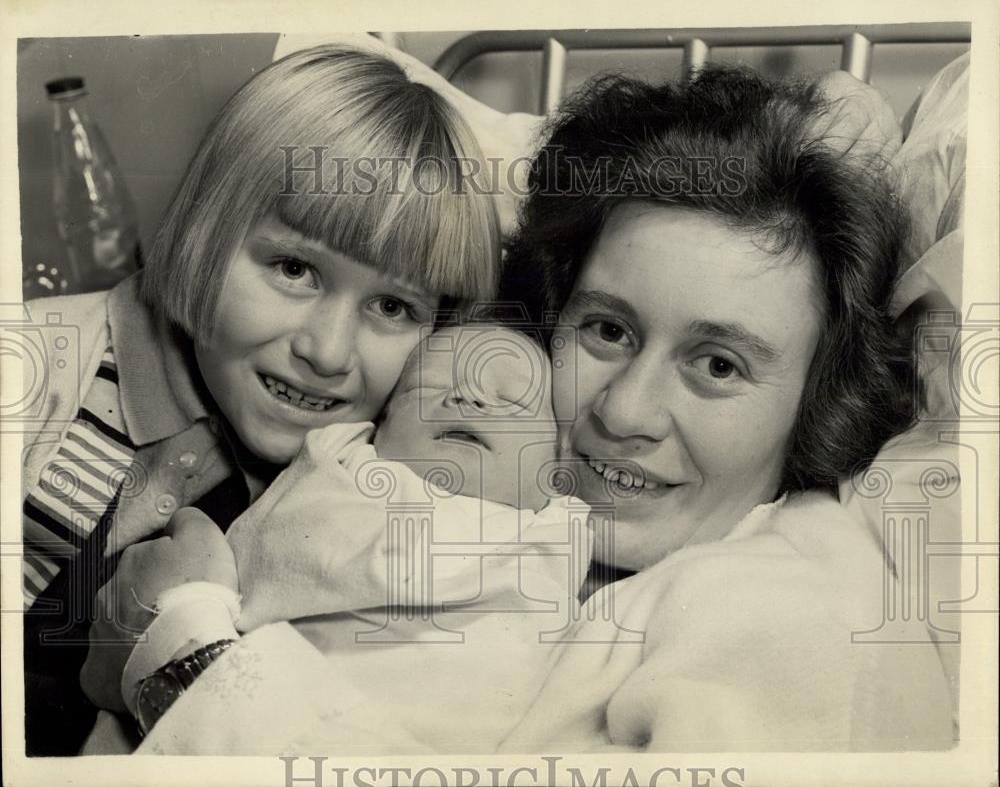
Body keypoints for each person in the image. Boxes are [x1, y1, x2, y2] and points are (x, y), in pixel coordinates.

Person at [82, 63, 956, 754]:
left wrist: (187, 656)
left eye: (718, 365)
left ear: (819, 403)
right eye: (607, 329)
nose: (626, 411)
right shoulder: (473, 485)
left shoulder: (800, 613)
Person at [21, 43, 501, 755]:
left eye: (394, 307)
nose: (328, 352)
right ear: (205, 231)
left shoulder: (374, 474)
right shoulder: (42, 364)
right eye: (294, 268)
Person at [98, 325, 593, 753]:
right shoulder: (341, 470)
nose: (465, 398)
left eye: (509, 399)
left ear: (555, 466)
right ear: (379, 430)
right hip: (236, 695)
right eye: (427, 388)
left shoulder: (546, 534)